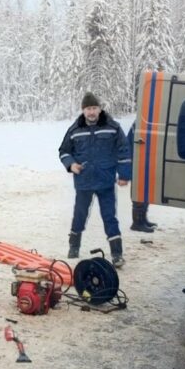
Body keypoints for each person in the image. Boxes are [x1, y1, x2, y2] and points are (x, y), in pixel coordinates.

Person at [59, 92, 131, 267]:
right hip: (84, 182)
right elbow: (64, 151)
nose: (91, 112)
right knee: (79, 215)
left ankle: (117, 254)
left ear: (99, 109)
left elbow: (124, 151)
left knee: (109, 217)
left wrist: (124, 175)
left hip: (106, 181)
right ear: (83, 110)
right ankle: (74, 247)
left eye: (94, 108)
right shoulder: (74, 130)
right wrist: (71, 165)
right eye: (88, 109)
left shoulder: (113, 127)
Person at [127, 122, 157, 233]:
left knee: (146, 190)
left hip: (144, 158)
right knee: (140, 190)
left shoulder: (144, 121)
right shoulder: (140, 122)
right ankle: (137, 222)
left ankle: (143, 219)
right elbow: (129, 143)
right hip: (138, 159)